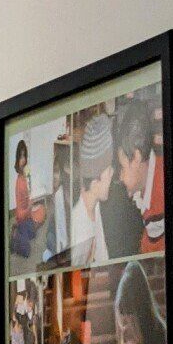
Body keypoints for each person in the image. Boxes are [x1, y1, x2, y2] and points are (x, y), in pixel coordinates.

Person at [105, 93, 164, 257]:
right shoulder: (155, 169)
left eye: (123, 168)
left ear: (137, 157)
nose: (122, 177)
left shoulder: (155, 205)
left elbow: (150, 253)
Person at [69, 111, 115, 266]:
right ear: (96, 181)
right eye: (109, 171)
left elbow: (103, 256)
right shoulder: (79, 229)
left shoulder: (95, 206)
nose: (112, 175)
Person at [9, 137, 49, 259]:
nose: (24, 160)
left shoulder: (23, 176)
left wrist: (32, 204)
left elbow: (27, 199)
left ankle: (22, 231)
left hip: (28, 214)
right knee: (26, 251)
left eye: (24, 156)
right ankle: (17, 234)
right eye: (21, 157)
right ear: (17, 159)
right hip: (23, 217)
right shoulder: (19, 182)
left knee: (43, 211)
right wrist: (30, 208)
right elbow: (20, 213)